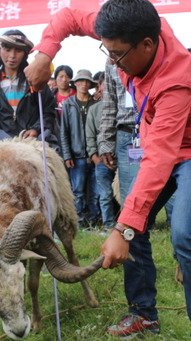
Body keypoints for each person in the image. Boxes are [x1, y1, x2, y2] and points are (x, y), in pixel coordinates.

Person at [25, 0, 191, 341]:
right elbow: (69, 16)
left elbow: (159, 163)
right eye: (108, 52)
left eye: (117, 55)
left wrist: (121, 229)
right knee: (135, 222)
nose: (112, 63)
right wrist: (44, 53)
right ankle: (143, 314)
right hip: (158, 144)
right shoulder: (130, 29)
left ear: (147, 45)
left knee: (183, 232)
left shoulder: (175, 81)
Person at [0, 30, 59, 153]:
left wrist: (36, 129)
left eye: (18, 51)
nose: (12, 55)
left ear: (25, 53)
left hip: (34, 142)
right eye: (7, 49)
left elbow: (48, 111)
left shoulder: (36, 78)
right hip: (3, 143)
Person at [61, 69, 100, 228]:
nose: (84, 84)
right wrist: (67, 155)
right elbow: (64, 131)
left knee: (95, 192)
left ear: (90, 84)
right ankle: (78, 223)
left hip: (96, 155)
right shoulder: (68, 104)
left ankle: (93, 222)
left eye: (87, 81)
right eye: (81, 81)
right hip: (76, 156)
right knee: (77, 192)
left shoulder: (97, 103)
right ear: (75, 83)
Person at [98, 61, 136, 206]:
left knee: (170, 195)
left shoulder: (153, 48)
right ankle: (132, 228)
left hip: (154, 133)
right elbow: (109, 104)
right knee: (128, 196)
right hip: (126, 134)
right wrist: (106, 142)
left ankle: (173, 224)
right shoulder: (110, 61)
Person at [86, 72, 116, 230]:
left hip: (121, 157)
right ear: (100, 87)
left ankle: (128, 226)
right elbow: (89, 134)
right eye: (105, 84)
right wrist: (94, 156)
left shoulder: (124, 105)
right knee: (105, 195)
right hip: (101, 159)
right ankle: (108, 225)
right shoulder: (94, 109)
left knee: (126, 192)